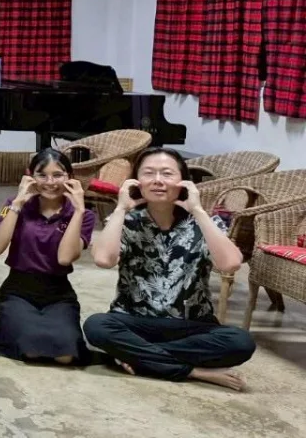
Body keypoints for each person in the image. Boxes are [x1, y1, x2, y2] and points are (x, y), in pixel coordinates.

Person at [85, 148, 255, 391]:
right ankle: (193, 371)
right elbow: (103, 259)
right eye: (149, 173)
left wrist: (198, 210)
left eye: (167, 173)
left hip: (190, 325)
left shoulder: (204, 222)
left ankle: (135, 356)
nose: (157, 180)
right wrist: (121, 209)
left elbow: (230, 264)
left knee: (241, 342)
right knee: (96, 326)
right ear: (136, 181)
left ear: (183, 181)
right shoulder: (127, 220)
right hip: (134, 320)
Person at [0, 148, 95, 363]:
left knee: (65, 356)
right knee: (31, 350)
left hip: (58, 293)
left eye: (58, 175)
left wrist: (79, 210)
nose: (50, 182)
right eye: (42, 175)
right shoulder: (12, 205)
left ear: (70, 177)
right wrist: (17, 203)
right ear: (30, 176)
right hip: (18, 290)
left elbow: (65, 258)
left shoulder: (85, 215)